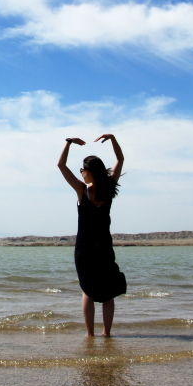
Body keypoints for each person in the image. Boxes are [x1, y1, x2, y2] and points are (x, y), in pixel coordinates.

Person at [57, 134, 127, 337]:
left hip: (85, 249)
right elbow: (120, 160)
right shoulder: (109, 188)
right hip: (104, 246)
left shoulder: (81, 190)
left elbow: (61, 165)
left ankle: (90, 335)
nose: (81, 173)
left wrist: (68, 142)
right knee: (108, 292)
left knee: (87, 290)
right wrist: (113, 139)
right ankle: (106, 334)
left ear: (88, 172)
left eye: (82, 170)